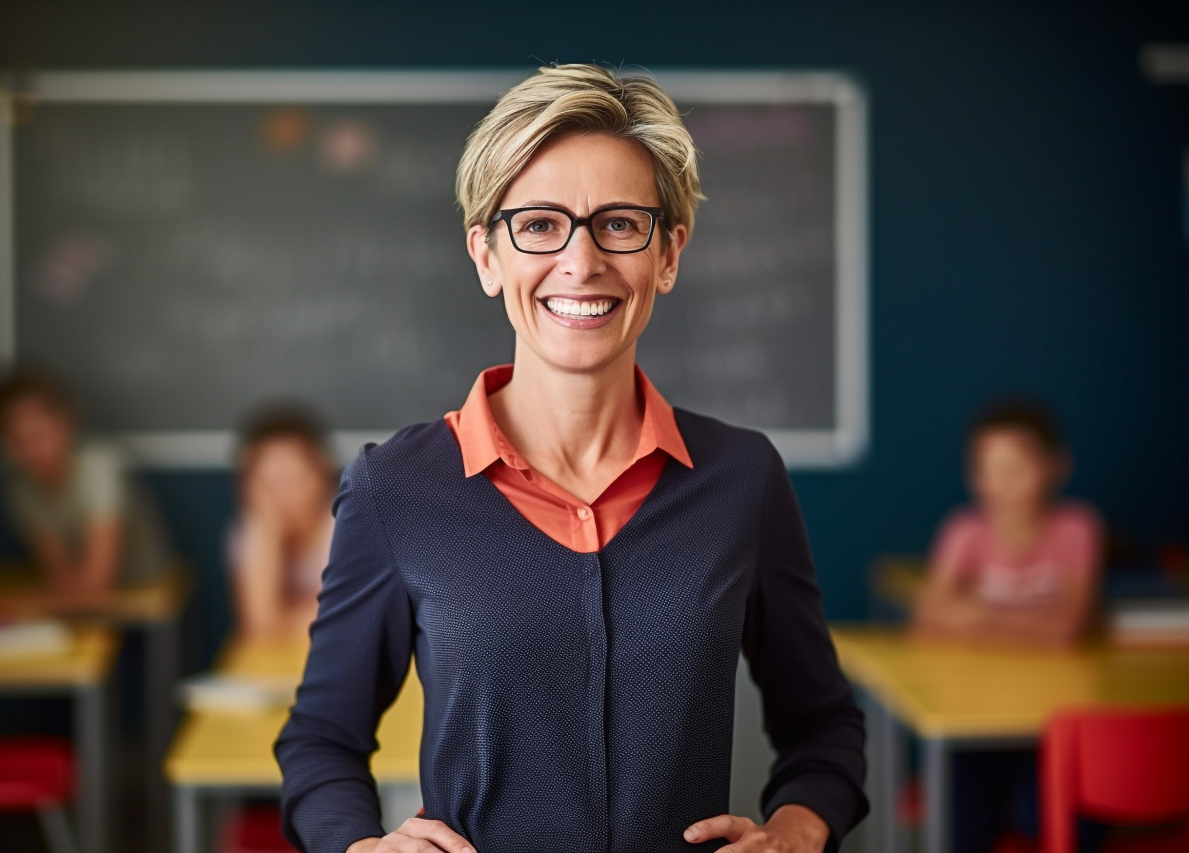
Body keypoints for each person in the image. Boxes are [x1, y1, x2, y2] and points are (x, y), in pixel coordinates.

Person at [276, 64, 868, 853]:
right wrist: (359, 846)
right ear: (487, 255)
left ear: (668, 254)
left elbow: (824, 725)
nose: (581, 262)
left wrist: (797, 830)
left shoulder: (743, 479)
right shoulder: (396, 488)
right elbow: (320, 736)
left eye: (620, 223)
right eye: (540, 224)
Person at [911, 399, 1104, 647]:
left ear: (1057, 466)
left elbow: (1068, 627)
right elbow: (928, 618)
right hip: (981, 676)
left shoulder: (1077, 527)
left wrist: (975, 617)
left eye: (1016, 469)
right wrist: (1034, 627)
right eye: (988, 470)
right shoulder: (964, 530)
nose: (1003, 483)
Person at [0, 365, 173, 597]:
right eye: (20, 442)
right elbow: (60, 574)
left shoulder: (99, 467)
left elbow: (98, 582)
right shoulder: (20, 489)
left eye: (37, 434)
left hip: (140, 586)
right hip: (82, 600)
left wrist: (26, 603)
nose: (34, 452)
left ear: (65, 422)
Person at [227, 404, 337, 638]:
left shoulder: (349, 528)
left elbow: (352, 620)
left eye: (295, 479)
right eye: (267, 483)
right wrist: (267, 536)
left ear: (322, 476)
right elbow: (260, 624)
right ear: (245, 487)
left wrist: (284, 617)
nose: (282, 497)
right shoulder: (253, 530)